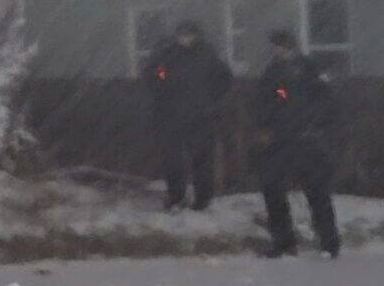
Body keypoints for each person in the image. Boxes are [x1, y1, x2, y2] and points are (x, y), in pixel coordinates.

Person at [252, 30, 341, 258]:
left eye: (283, 46)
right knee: (273, 190)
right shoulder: (272, 71)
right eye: (276, 47)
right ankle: (283, 242)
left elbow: (325, 100)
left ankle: (329, 243)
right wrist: (264, 127)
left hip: (307, 138)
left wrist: (315, 125)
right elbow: (264, 102)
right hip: (280, 138)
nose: (279, 51)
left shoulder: (309, 69)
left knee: (317, 192)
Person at [140, 19, 233, 210]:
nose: (185, 39)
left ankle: (202, 199)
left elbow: (224, 79)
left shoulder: (207, 55)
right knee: (172, 159)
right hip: (171, 115)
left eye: (189, 35)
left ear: (196, 36)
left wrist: (211, 101)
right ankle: (176, 195)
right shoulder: (167, 55)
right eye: (182, 35)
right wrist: (162, 86)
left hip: (200, 116)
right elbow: (154, 74)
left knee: (201, 159)